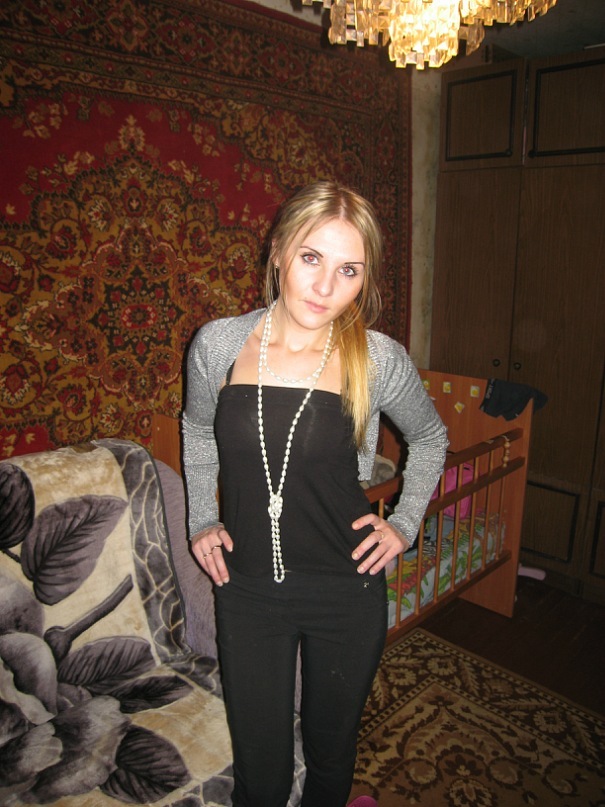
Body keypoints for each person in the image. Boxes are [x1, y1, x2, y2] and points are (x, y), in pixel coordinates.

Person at [182, 181, 448, 807]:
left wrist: (404, 522)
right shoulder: (218, 345)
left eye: (348, 270)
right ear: (277, 252)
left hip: (345, 588)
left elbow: (431, 437)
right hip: (247, 589)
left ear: (364, 280)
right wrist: (201, 518)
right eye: (311, 258)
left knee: (330, 754)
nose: (325, 287)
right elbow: (196, 431)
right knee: (261, 770)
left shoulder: (377, 359)